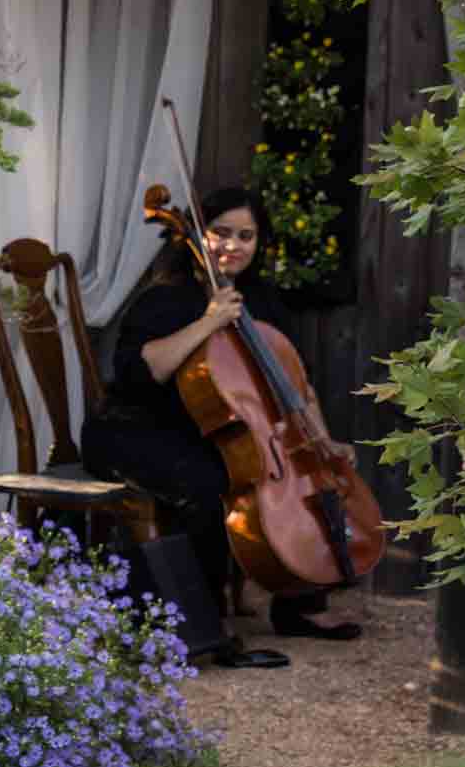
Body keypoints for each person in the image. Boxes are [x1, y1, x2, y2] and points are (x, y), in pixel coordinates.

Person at [81, 185, 362, 666]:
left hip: (207, 431)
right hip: (134, 429)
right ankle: (205, 623)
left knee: (306, 476)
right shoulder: (167, 298)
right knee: (212, 483)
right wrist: (210, 321)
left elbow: (298, 386)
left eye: (246, 236)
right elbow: (145, 369)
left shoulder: (262, 301)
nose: (233, 246)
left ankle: (298, 602)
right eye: (221, 233)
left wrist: (321, 438)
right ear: (196, 235)